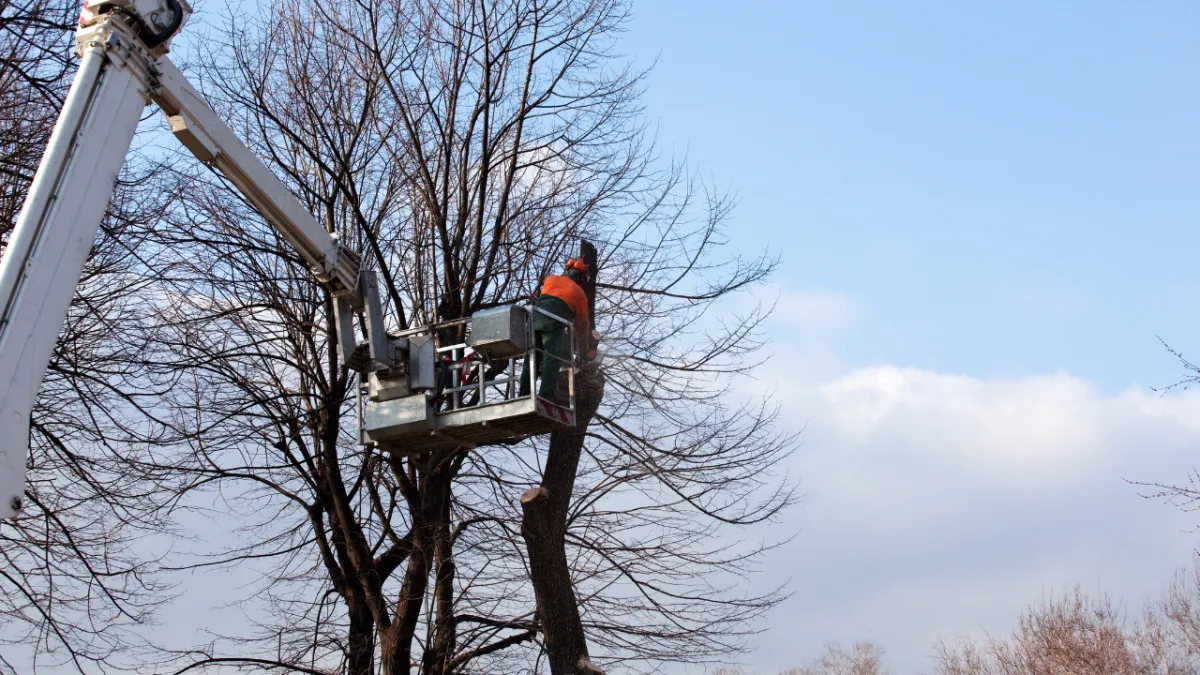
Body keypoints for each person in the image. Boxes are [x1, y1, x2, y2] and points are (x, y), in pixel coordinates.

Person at [520, 257, 594, 401]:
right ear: (581, 279)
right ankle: (547, 395)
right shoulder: (579, 295)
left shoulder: (551, 279)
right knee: (551, 358)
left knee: (531, 357)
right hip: (553, 323)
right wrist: (584, 352)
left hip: (533, 320)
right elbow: (582, 327)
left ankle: (524, 394)